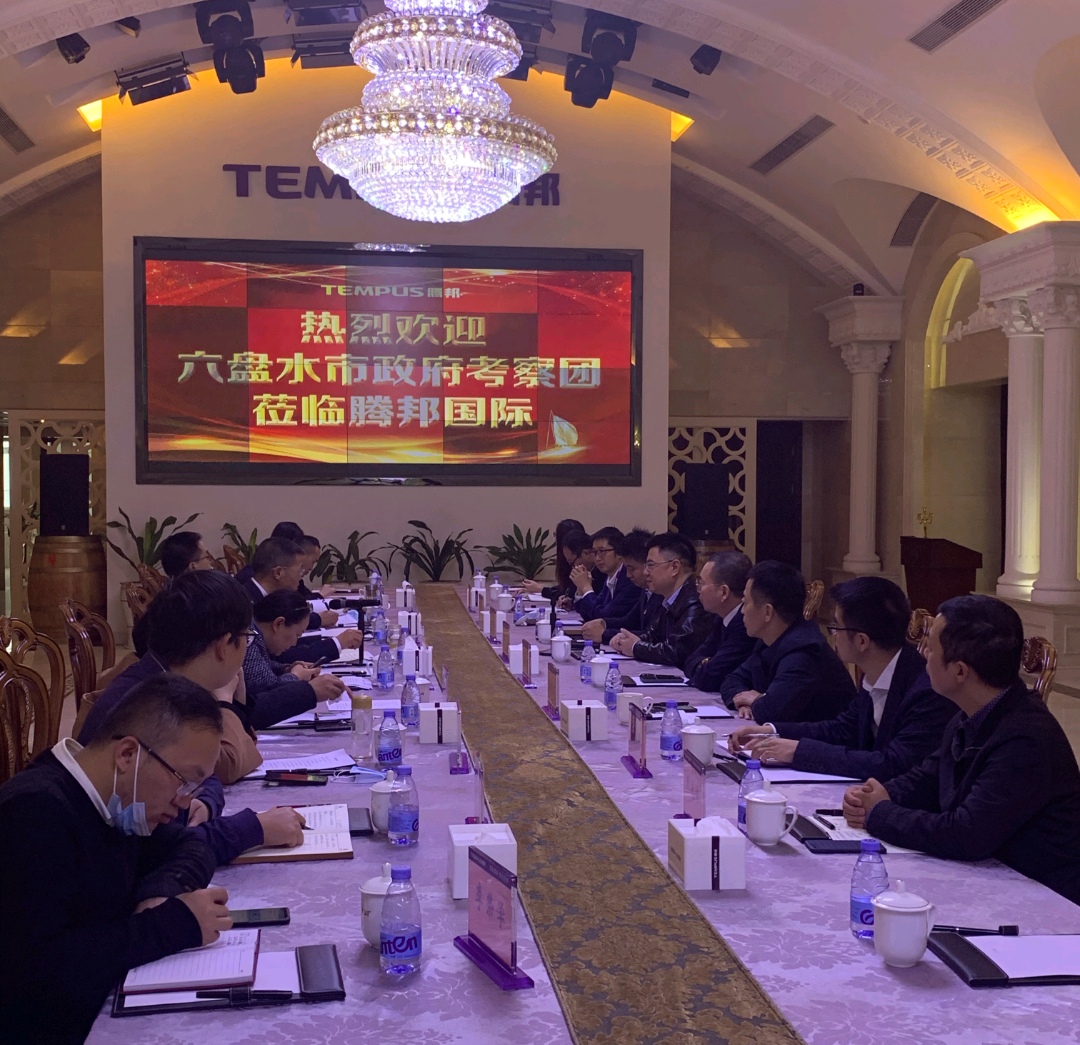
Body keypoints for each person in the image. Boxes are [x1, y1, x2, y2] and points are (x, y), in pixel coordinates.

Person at [0, 675, 233, 1042]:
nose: (184, 800)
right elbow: (42, 972)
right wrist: (172, 923)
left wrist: (160, 892)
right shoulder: (34, 815)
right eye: (183, 780)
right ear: (127, 755)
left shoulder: (118, 804)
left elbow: (192, 846)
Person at [843, 595, 1080, 904]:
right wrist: (878, 793)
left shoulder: (1025, 738)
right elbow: (929, 777)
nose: (923, 655)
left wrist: (880, 813)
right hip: (995, 877)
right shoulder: (974, 712)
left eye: (931, 648)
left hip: (1045, 898)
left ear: (959, 672)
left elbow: (966, 834)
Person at [78, 571, 305, 857]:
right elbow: (149, 852)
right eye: (247, 638)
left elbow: (204, 775)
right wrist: (253, 829)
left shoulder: (170, 682)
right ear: (224, 646)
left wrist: (207, 800)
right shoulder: (148, 702)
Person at [728, 576, 953, 778]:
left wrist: (799, 752)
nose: (832, 634)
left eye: (836, 626)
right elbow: (843, 729)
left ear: (862, 641)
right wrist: (772, 731)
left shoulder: (926, 690)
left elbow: (892, 763)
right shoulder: (878, 672)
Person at [721, 560, 855, 722]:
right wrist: (744, 703)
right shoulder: (768, 640)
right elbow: (732, 679)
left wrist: (757, 701)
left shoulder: (804, 650)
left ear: (767, 612)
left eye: (746, 603)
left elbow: (772, 711)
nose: (742, 611)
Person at [242, 537, 362, 661]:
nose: (301, 577)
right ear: (278, 573)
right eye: (299, 571)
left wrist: (326, 640)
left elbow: (289, 643)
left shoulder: (264, 597)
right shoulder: (245, 606)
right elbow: (277, 657)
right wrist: (336, 643)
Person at [244, 589, 346, 730]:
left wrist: (286, 669)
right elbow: (266, 688)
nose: (294, 643)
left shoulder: (255, 632)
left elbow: (264, 664)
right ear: (278, 624)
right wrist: (296, 677)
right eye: (297, 635)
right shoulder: (248, 638)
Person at [609, 533, 712, 667]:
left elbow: (677, 652)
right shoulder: (670, 599)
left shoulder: (696, 601)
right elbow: (653, 635)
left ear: (674, 567)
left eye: (651, 565)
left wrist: (635, 647)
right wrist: (626, 640)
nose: (646, 572)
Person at [683, 551, 757, 692]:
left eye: (701, 583)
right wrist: (706, 663)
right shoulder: (721, 618)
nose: (698, 590)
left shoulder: (745, 625)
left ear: (724, 592)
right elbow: (690, 660)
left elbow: (709, 677)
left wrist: (706, 663)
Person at [580, 528, 659, 645]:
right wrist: (604, 623)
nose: (628, 575)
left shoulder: (656, 591)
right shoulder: (646, 590)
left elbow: (654, 636)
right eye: (595, 552)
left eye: (632, 569)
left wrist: (605, 634)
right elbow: (630, 620)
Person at [572, 527, 639, 623]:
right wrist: (580, 589)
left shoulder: (628, 579)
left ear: (619, 553)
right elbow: (589, 614)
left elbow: (603, 617)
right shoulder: (610, 576)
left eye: (602, 552)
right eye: (595, 552)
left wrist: (586, 587)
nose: (597, 558)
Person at [520, 518, 585, 599]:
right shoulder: (569, 560)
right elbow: (566, 589)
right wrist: (540, 589)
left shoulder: (577, 562)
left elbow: (569, 593)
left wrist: (541, 590)